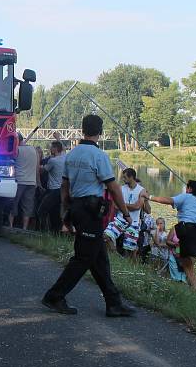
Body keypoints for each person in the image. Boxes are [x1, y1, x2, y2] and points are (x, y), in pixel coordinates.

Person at [42, 114, 135, 317]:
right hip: (90, 211)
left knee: (99, 257)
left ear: (82, 129)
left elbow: (65, 185)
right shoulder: (99, 156)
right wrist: (126, 213)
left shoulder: (72, 154)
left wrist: (66, 211)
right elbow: (113, 187)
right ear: (99, 133)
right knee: (84, 258)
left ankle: (113, 303)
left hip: (76, 208)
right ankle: (54, 296)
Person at [103, 168, 147, 259]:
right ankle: (116, 256)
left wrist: (122, 205)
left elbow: (137, 206)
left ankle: (130, 265)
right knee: (105, 236)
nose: (123, 179)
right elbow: (115, 205)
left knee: (129, 249)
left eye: (125, 177)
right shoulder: (121, 189)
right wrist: (128, 206)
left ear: (131, 177)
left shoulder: (142, 190)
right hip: (120, 219)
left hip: (133, 222)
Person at [9, 133, 39, 230]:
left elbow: (11, 162)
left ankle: (10, 226)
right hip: (31, 182)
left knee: (14, 203)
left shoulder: (16, 150)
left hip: (19, 181)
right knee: (27, 206)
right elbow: (37, 167)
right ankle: (25, 228)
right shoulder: (33, 150)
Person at [37, 140, 66, 232]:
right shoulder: (64, 158)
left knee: (41, 210)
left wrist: (37, 161)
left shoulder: (53, 161)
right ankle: (56, 232)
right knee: (55, 212)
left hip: (53, 190)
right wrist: (58, 139)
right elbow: (64, 149)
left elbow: (43, 171)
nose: (50, 149)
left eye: (51, 147)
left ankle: (43, 231)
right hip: (61, 190)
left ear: (55, 149)